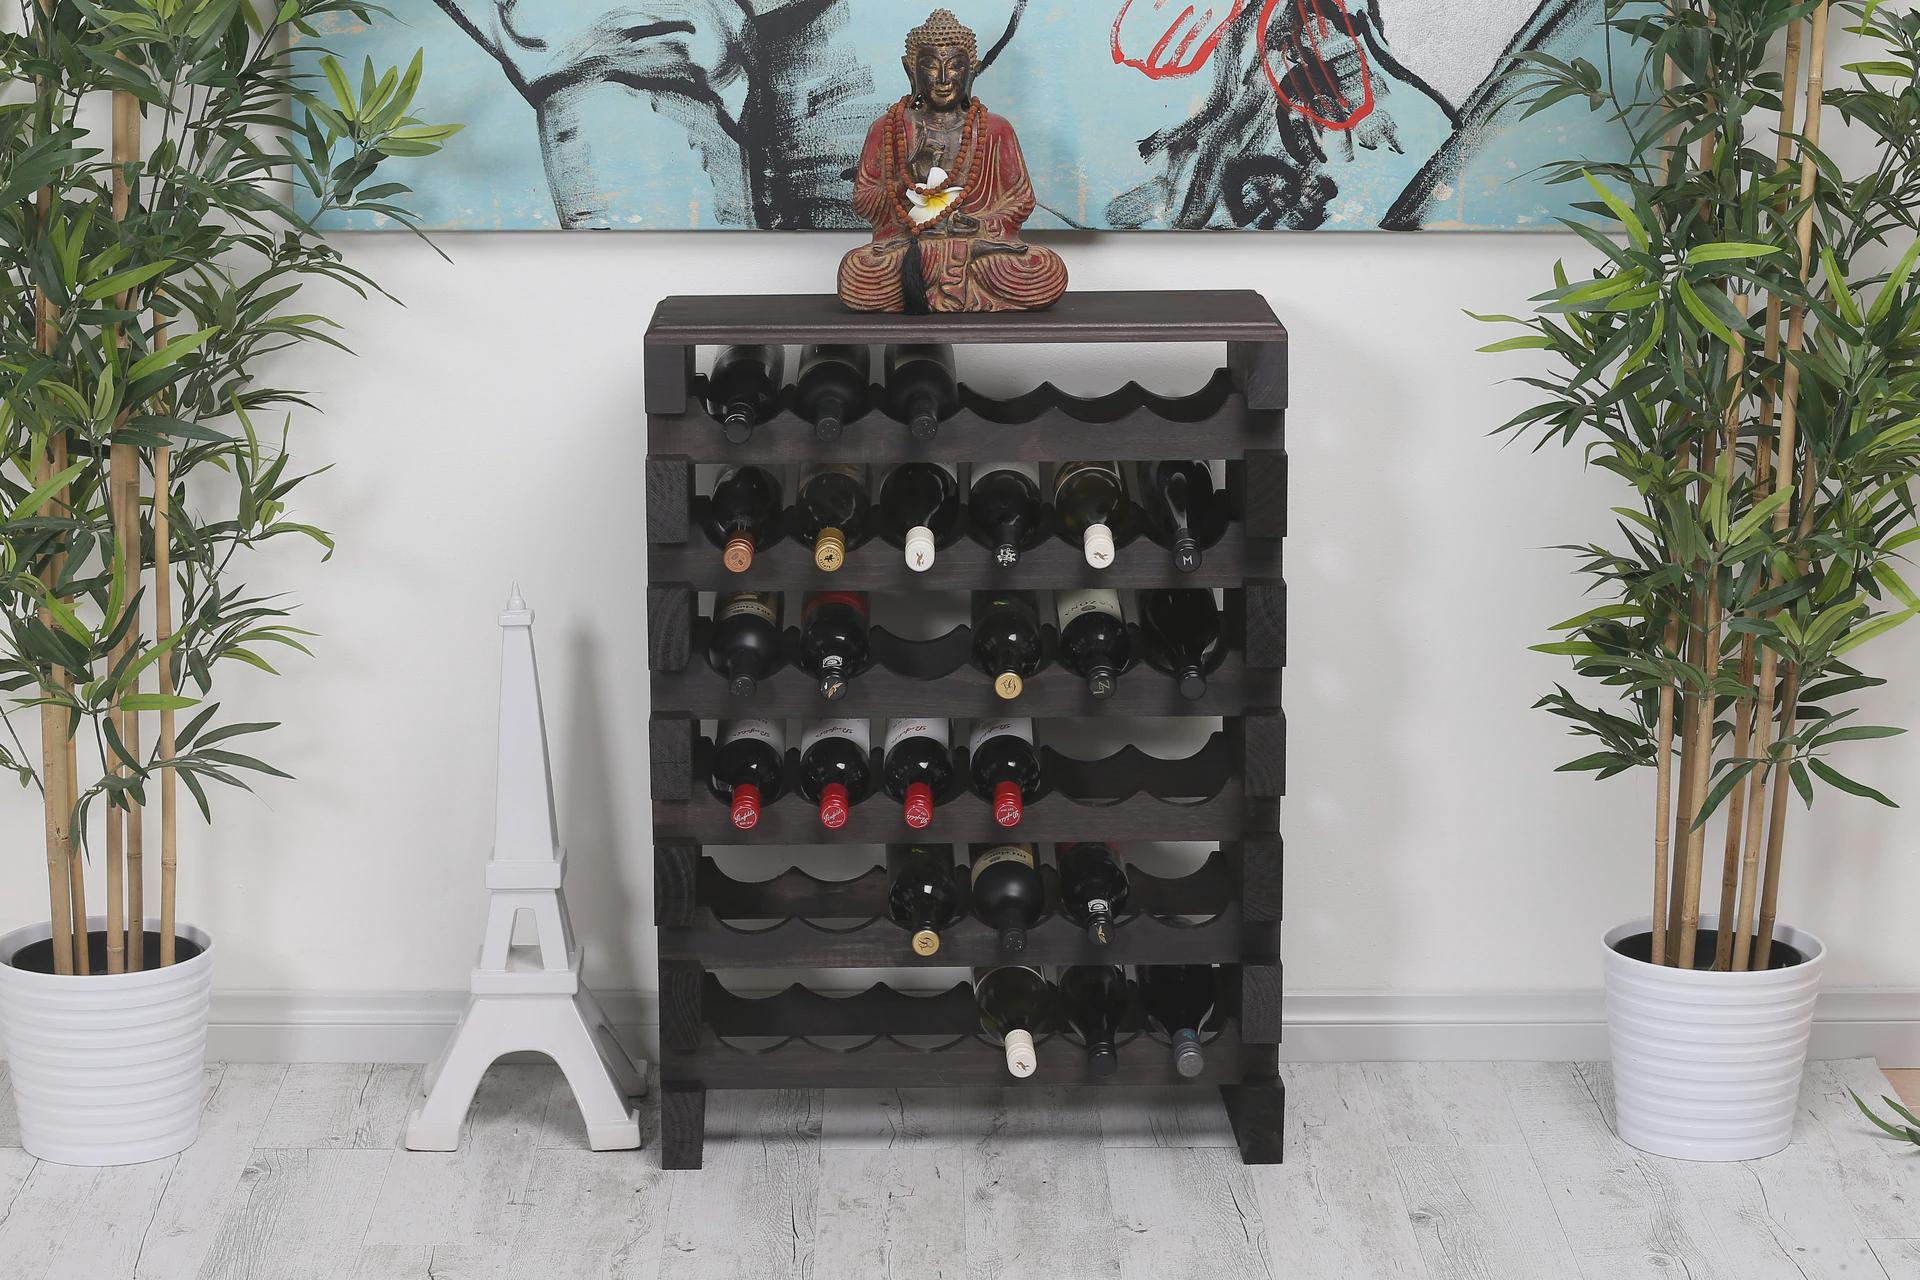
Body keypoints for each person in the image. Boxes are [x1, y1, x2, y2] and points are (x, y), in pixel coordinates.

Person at [836, 9, 1067, 313]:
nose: (944, 79)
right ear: (910, 71)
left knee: (1045, 268)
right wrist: (905, 184)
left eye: (955, 66)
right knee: (858, 269)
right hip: (912, 248)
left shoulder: (996, 129)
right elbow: (864, 201)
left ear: (972, 71)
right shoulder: (889, 128)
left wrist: (980, 223)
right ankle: (948, 288)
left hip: (980, 249)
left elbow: (1021, 201)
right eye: (931, 66)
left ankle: (932, 291)